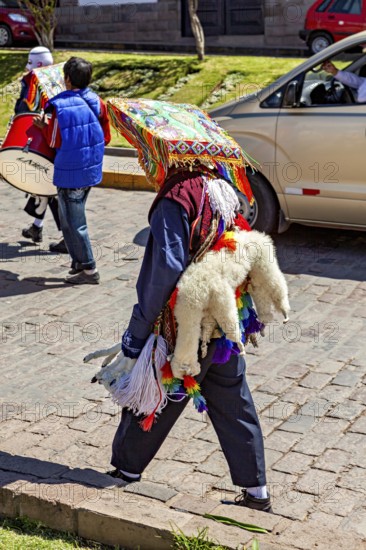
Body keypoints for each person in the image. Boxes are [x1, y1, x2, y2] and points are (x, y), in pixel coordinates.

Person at [93, 164, 272, 512]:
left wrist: (137, 335)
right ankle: (257, 491)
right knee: (235, 404)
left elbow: (166, 267)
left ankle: (126, 470)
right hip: (222, 318)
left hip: (185, 323)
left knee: (152, 395)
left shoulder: (177, 196)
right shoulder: (221, 187)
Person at [34, 56, 111, 285]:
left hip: (70, 172)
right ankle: (78, 263)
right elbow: (106, 137)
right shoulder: (98, 101)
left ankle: (89, 269)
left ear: (67, 79)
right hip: (90, 169)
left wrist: (43, 126)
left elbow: (55, 140)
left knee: (75, 222)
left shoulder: (60, 105)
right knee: (70, 218)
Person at [15, 46, 67, 253]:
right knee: (44, 187)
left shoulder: (32, 82)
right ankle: (37, 227)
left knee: (49, 189)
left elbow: (23, 109)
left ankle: (66, 235)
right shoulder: (62, 81)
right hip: (58, 140)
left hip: (43, 139)